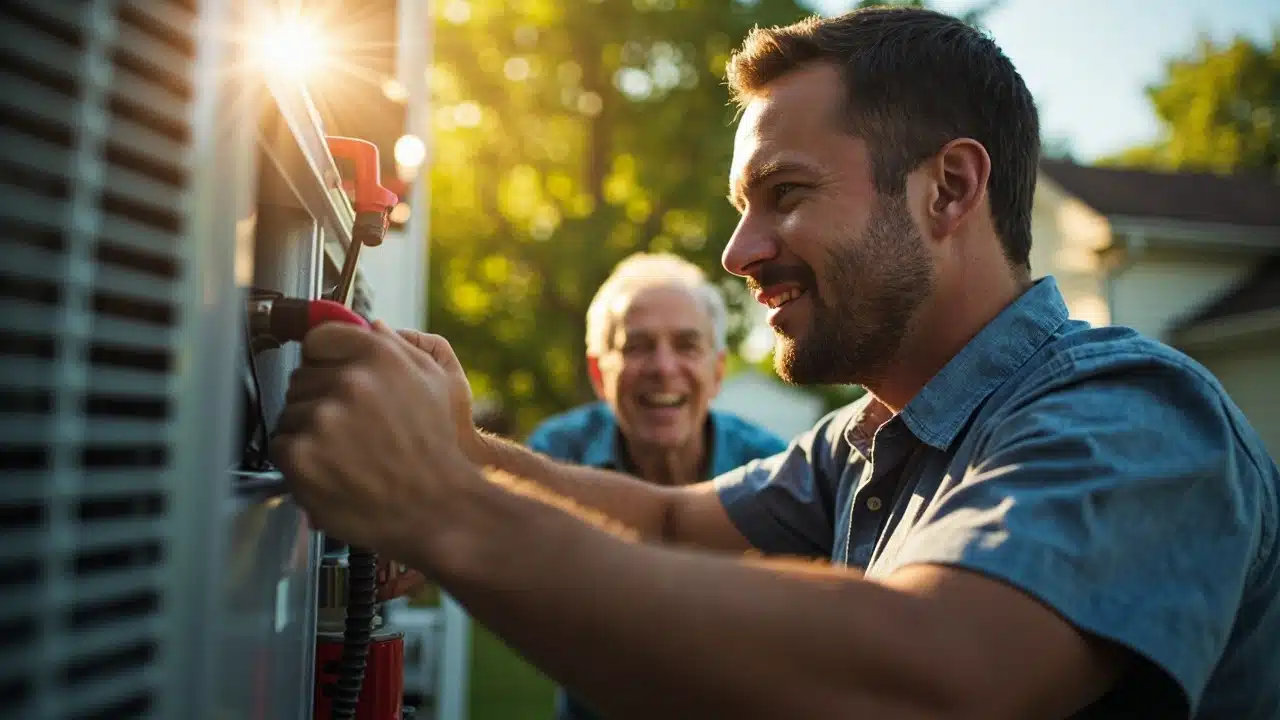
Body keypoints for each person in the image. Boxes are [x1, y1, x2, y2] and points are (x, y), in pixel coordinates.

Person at [275, 7, 1280, 719]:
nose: (738, 251)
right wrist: (462, 446)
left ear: (948, 189)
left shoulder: (1133, 415)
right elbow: (669, 518)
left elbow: (927, 683)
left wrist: (439, 504)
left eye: (784, 193)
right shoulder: (866, 438)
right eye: (739, 209)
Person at [527, 252, 787, 719]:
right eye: (637, 346)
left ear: (718, 370)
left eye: (687, 345)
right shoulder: (554, 455)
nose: (663, 367)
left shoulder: (773, 467)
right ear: (597, 373)